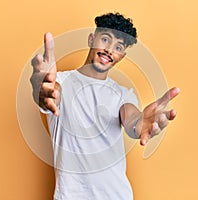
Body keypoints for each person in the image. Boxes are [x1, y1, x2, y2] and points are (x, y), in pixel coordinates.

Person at [30, 12, 180, 200]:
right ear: (91, 39)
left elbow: (132, 119)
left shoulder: (123, 94)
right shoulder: (60, 82)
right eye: (105, 39)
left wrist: (141, 123)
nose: (109, 50)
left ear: (122, 56)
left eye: (118, 46)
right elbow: (52, 95)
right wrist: (41, 88)